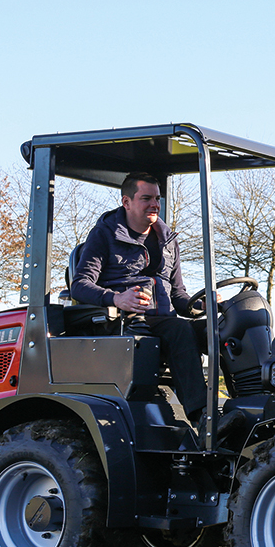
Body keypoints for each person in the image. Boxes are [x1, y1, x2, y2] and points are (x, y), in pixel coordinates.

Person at [70, 171, 209, 427]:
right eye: (146, 198)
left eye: (157, 198)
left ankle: (253, 403)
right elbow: (79, 285)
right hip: (128, 321)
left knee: (225, 328)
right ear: (127, 202)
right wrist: (116, 298)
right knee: (179, 330)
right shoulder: (105, 235)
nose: (154, 204)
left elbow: (178, 294)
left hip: (166, 319)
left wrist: (201, 306)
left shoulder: (168, 241)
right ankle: (204, 419)